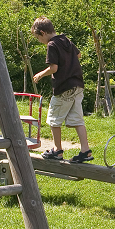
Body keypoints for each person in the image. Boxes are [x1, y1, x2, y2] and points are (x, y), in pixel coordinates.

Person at [32, 17, 91, 163]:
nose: (40, 41)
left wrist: (40, 74)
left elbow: (54, 68)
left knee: (54, 119)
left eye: (38, 37)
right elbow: (78, 54)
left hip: (63, 87)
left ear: (43, 32)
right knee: (77, 119)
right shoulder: (65, 40)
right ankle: (85, 151)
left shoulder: (52, 45)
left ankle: (57, 150)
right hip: (77, 85)